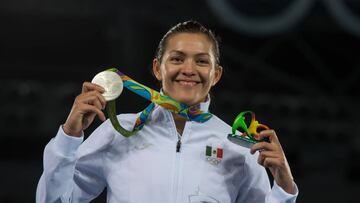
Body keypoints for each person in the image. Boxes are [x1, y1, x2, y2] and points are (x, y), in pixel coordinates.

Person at [36, 20, 298, 203]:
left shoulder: (239, 147)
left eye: (201, 61)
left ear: (215, 75)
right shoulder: (118, 132)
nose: (188, 69)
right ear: (157, 68)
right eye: (177, 58)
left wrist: (284, 189)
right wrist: (69, 137)